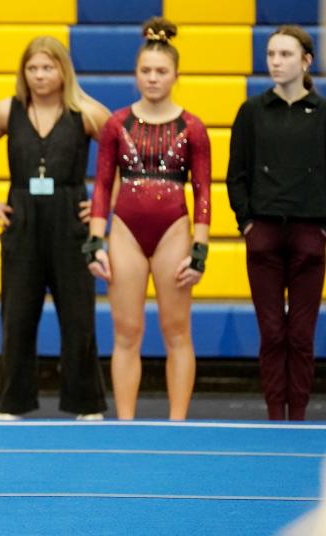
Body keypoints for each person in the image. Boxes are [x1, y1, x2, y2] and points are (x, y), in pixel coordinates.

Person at [0, 36, 110, 420]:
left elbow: (121, 152)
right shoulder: (5, 111)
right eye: (32, 68)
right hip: (22, 220)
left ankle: (86, 403)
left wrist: (103, 200)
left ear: (62, 70)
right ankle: (12, 402)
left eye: (47, 67)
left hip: (70, 220)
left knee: (79, 315)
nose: (39, 75)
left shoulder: (86, 112)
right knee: (16, 314)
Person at [86, 18, 212, 420]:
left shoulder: (193, 127)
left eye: (161, 72)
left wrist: (200, 249)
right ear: (135, 74)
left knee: (177, 332)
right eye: (146, 71)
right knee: (127, 333)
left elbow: (204, 191)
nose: (153, 78)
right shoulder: (116, 124)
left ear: (176, 74)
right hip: (125, 230)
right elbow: (103, 186)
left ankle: (177, 422)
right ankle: (126, 423)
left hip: (174, 228)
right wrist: (95, 241)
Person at [227, 25, 326, 421]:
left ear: (306, 61)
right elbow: (237, 173)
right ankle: (274, 414)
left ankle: (298, 414)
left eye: (285, 55)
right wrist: (247, 222)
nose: (275, 62)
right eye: (271, 55)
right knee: (271, 333)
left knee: (301, 335)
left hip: (309, 233)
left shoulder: (322, 114)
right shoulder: (251, 112)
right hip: (264, 233)